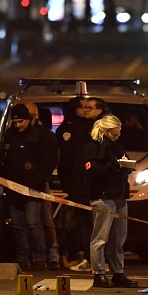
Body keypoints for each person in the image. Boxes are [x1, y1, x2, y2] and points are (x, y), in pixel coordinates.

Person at [0, 104, 59, 271]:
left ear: (29, 120)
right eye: (15, 122)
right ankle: (23, 258)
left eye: (21, 122)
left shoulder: (42, 136)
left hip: (32, 188)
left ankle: (40, 257)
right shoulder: (10, 135)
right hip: (13, 189)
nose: (18, 125)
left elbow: (47, 163)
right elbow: (4, 159)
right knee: (18, 225)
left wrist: (35, 182)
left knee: (34, 223)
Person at [82, 114, 138, 288]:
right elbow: (92, 171)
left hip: (119, 195)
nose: (117, 137)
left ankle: (118, 273)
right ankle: (98, 273)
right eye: (114, 134)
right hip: (103, 196)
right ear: (104, 131)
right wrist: (115, 166)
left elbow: (123, 162)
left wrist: (126, 167)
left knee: (118, 239)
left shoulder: (117, 146)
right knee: (100, 238)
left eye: (118, 134)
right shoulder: (93, 147)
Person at [56, 97, 106, 271]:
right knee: (85, 224)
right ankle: (90, 258)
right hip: (83, 185)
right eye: (84, 107)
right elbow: (70, 160)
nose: (85, 111)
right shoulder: (79, 129)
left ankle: (94, 259)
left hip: (94, 185)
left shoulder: (97, 128)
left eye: (89, 108)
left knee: (93, 225)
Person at [24, 101, 60, 269]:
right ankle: (32, 256)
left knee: (45, 220)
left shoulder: (44, 135)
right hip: (22, 185)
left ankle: (52, 256)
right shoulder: (18, 134)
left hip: (40, 185)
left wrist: (40, 180)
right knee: (26, 223)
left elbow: (49, 161)